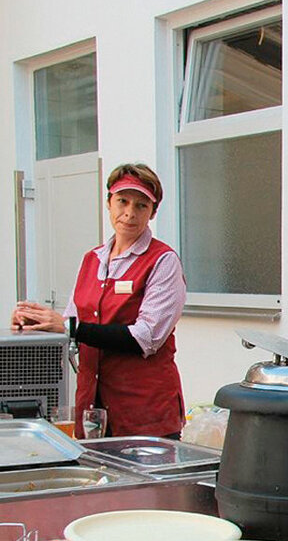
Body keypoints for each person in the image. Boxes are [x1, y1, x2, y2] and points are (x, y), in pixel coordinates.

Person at [11, 163, 186, 439]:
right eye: (122, 201)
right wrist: (34, 324)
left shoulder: (163, 261)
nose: (129, 213)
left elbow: (146, 338)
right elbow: (70, 326)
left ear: (153, 212)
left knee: (145, 484)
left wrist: (71, 328)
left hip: (143, 412)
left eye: (141, 206)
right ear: (108, 203)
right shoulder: (92, 259)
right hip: (92, 409)